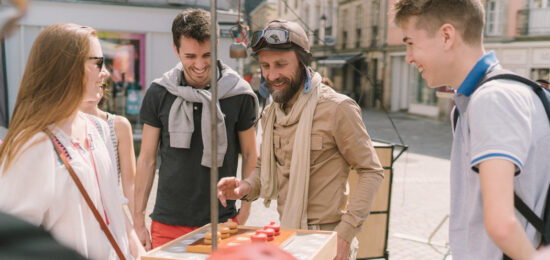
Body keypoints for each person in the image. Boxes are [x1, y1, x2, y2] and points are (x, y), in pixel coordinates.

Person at [393, 1, 550, 259]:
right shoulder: (475, 102)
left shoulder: (492, 99)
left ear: (446, 36)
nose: (409, 57)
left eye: (410, 43)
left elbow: (502, 226)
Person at [217, 20, 384, 260]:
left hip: (328, 239)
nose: (272, 75)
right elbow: (265, 168)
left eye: (281, 64)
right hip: (288, 237)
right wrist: (245, 187)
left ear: (303, 61)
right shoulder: (271, 112)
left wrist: (344, 235)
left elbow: (371, 171)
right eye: (265, 65)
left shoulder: (337, 108)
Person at [0, 23, 144, 259]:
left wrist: (137, 251)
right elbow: (12, 240)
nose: (106, 72)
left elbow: (115, 207)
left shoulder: (98, 128)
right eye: (97, 63)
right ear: (67, 69)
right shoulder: (34, 144)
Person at [134, 8, 259, 250]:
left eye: (207, 55)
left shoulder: (239, 94)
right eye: (190, 56)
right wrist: (138, 219)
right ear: (176, 50)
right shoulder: (159, 92)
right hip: (167, 224)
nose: (200, 65)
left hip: (222, 222)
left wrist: (245, 209)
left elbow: (251, 153)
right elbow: (147, 159)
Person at [80, 82, 136, 217]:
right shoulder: (63, 126)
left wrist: (138, 222)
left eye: (98, 83)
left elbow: (130, 182)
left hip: (111, 212)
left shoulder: (118, 125)